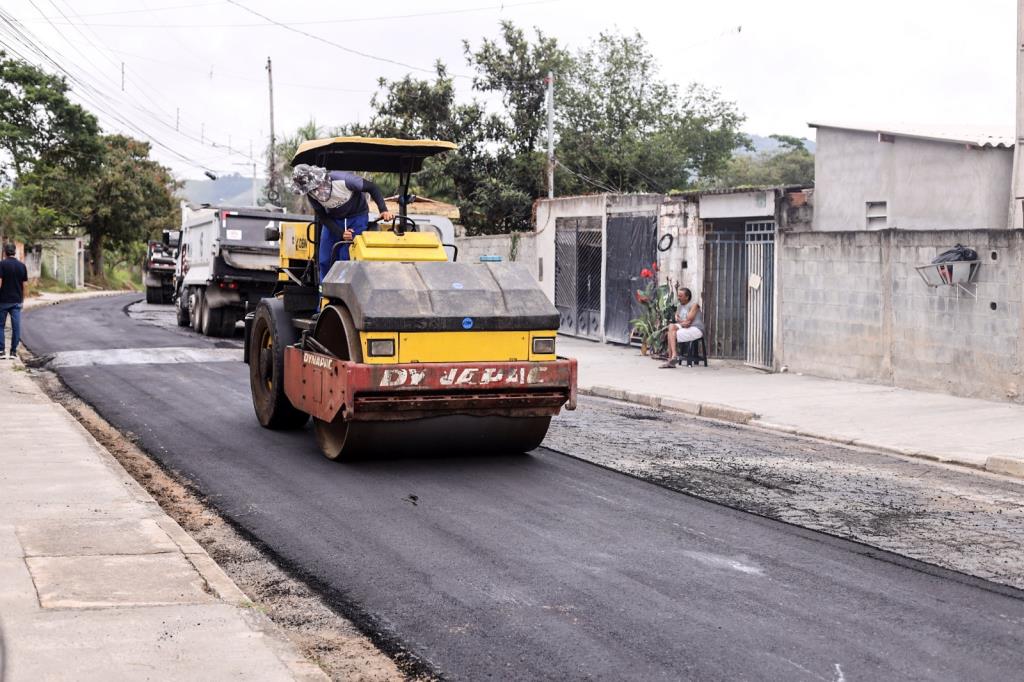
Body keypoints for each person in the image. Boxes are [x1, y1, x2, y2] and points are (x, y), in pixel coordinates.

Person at [290, 164, 394, 282]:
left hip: (357, 216)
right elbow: (322, 216)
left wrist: (383, 210)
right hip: (333, 219)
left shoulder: (344, 180)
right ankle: (325, 292)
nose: (315, 192)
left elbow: (372, 187)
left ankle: (344, 287)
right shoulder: (311, 195)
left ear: (320, 179)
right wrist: (340, 233)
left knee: (346, 255)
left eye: (316, 187)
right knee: (325, 258)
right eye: (311, 190)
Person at [660, 287, 704, 368]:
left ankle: (671, 359)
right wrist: (682, 322)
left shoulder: (694, 305)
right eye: (678, 296)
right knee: (671, 327)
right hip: (686, 327)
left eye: (680, 296)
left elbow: (689, 319)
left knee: (671, 333)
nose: (678, 298)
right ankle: (673, 356)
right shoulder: (679, 306)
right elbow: (681, 321)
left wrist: (681, 320)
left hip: (696, 329)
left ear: (687, 297)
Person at [0, 242, 29, 360]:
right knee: (16, 327)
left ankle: (1, 351)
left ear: (5, 252)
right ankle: (13, 352)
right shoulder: (22, 266)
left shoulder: (1, 265)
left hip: (2, 301)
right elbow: (24, 285)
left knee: (0, 326)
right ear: (15, 252)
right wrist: (23, 299)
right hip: (17, 301)